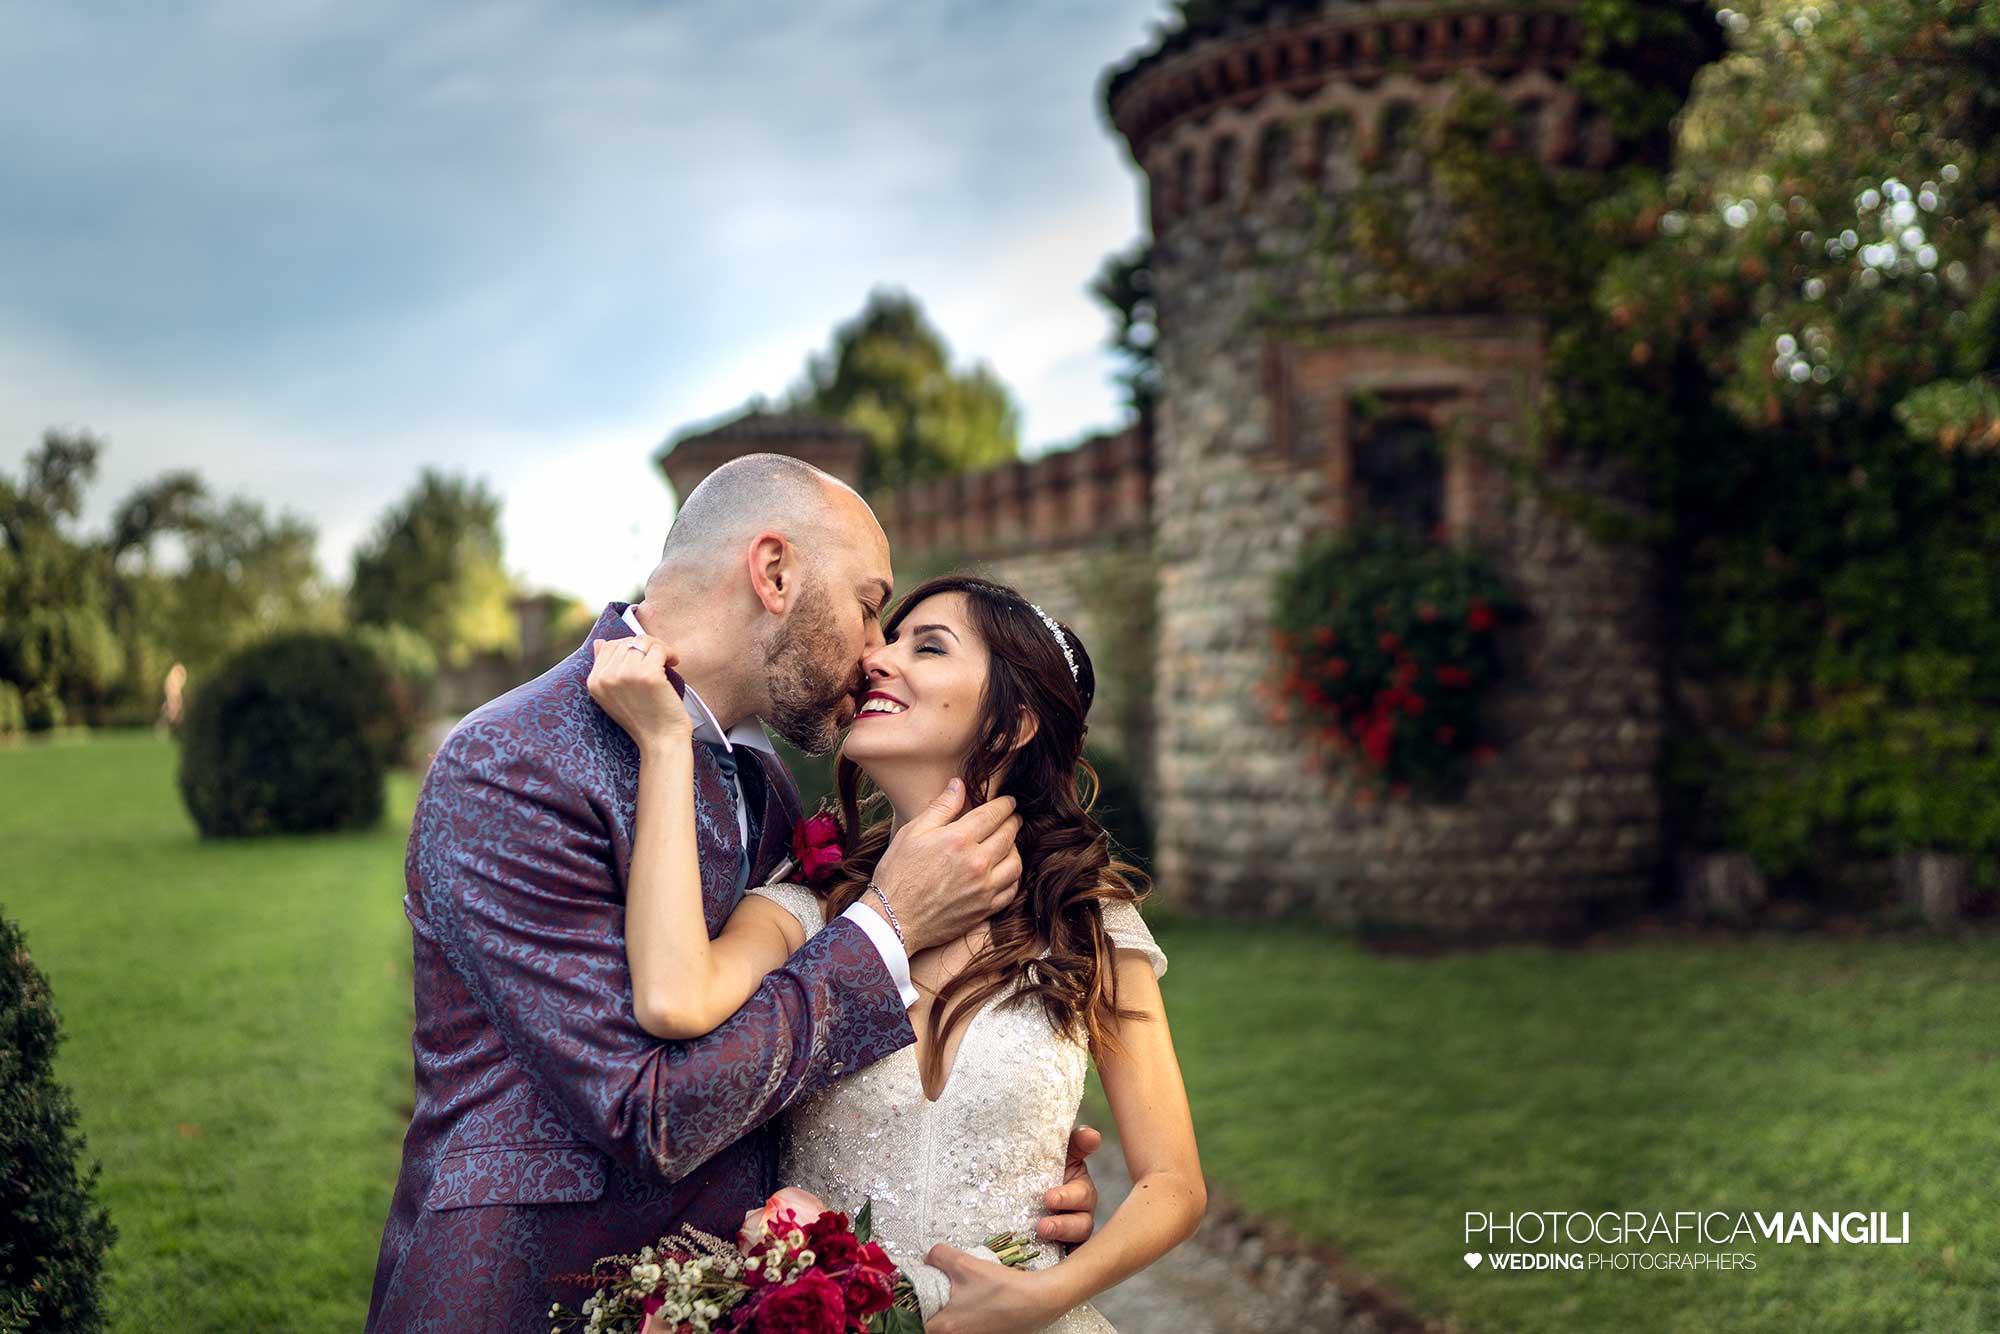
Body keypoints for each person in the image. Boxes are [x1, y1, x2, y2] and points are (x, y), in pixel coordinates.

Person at [364, 456, 1101, 1333]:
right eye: (871, 605)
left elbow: (773, 1046)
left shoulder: (762, 785)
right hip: (525, 1292)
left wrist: (1005, 1165)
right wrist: (887, 926)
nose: (877, 651)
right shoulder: (511, 766)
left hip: (734, 1298)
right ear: (776, 572)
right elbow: (653, 1111)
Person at [589, 573, 1205, 1333]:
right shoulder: (811, 903)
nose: (878, 658)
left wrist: (1042, 1296)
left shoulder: (1090, 923)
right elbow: (675, 996)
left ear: (1011, 725)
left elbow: (1174, 1181)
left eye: (930, 645)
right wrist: (664, 744)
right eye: (890, 636)